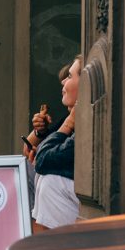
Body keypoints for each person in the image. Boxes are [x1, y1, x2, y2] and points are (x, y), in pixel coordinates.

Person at [31, 56, 81, 231]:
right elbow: (33, 152)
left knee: (50, 181)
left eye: (69, 76)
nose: (63, 83)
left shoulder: (82, 123)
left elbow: (43, 159)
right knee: (32, 173)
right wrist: (39, 132)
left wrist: (67, 124)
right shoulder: (70, 119)